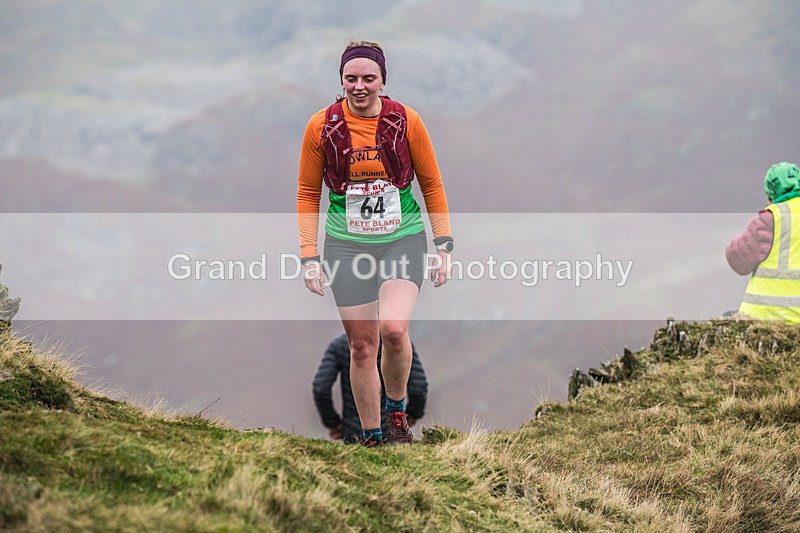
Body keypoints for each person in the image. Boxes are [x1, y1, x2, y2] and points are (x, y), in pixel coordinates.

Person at [297, 40, 453, 446]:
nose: (359, 86)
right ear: (341, 81)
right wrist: (309, 256)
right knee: (363, 347)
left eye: (369, 78)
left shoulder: (406, 121)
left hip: (402, 238)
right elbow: (306, 193)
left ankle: (396, 415)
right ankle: (370, 439)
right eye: (351, 78)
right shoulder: (321, 126)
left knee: (394, 329)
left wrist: (444, 245)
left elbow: (431, 183)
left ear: (383, 81)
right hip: (345, 245)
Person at [312, 334, 428, 443]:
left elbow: (320, 388)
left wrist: (333, 423)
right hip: (393, 430)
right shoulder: (397, 344)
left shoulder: (340, 345)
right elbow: (418, 387)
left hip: (355, 432)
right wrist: (411, 415)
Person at [726, 162, 800, 322]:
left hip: (765, 318)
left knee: (727, 319)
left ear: (770, 196)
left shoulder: (771, 219)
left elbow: (737, 261)